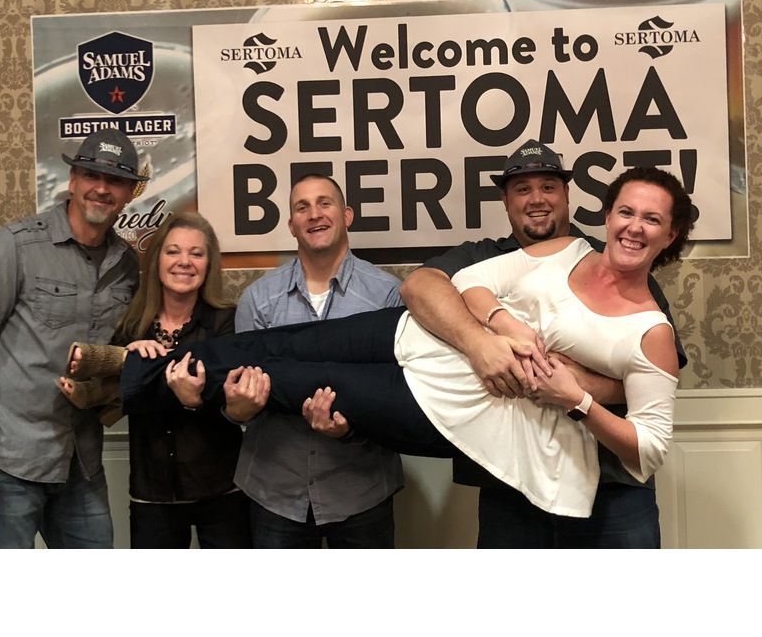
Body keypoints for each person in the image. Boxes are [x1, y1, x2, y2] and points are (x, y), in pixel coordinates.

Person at [73, 167, 694, 523]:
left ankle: (124, 389)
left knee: (288, 378)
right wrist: (501, 328)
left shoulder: (651, 326)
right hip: (416, 337)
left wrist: (573, 392)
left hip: (454, 404)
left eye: (651, 220)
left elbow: (648, 441)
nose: (633, 227)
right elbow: (462, 285)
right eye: (626, 212)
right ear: (606, 214)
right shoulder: (563, 251)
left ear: (670, 236)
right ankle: (132, 369)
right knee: (275, 345)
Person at [400, 139, 687, 548]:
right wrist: (481, 342)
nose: (537, 199)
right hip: (510, 478)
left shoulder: (615, 262)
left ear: (567, 195)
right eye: (522, 189)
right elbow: (421, 286)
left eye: (549, 187)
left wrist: (575, 386)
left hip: (612, 486)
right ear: (505, 201)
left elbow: (659, 378)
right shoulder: (484, 256)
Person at [0, 128, 146, 548]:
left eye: (115, 180)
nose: (102, 188)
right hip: (10, 463)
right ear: (72, 180)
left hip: (82, 463)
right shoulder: (16, 247)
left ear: (129, 193)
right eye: (92, 175)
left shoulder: (127, 266)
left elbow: (117, 360)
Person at [229, 174, 403, 549]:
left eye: (325, 203)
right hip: (275, 493)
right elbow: (240, 400)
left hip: (361, 492)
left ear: (347, 215)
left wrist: (351, 429)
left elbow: (396, 399)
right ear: (291, 224)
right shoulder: (258, 299)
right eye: (302, 207)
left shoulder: (387, 296)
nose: (314, 214)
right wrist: (238, 410)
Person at [62, 212, 251, 549]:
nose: (184, 262)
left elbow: (229, 398)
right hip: (152, 495)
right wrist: (128, 355)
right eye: (173, 251)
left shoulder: (227, 321)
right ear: (157, 260)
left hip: (222, 490)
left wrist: (141, 372)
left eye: (196, 253)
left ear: (209, 264)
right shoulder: (132, 326)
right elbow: (112, 404)